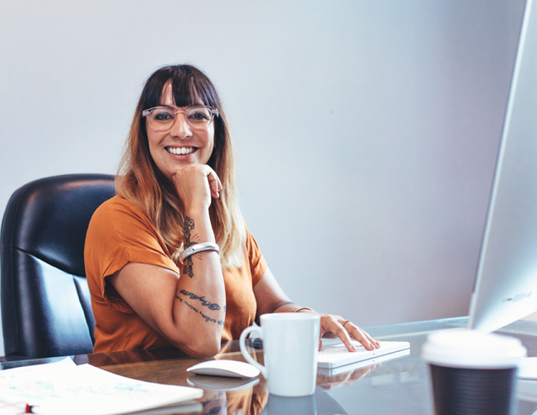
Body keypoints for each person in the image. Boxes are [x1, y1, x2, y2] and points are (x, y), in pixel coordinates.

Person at [84, 64, 380, 357]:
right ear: (143, 131)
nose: (182, 130)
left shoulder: (225, 220)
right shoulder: (117, 221)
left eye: (198, 115)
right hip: (151, 397)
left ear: (217, 131)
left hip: (229, 395)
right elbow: (198, 340)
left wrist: (310, 319)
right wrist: (196, 208)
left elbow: (273, 307)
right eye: (163, 116)